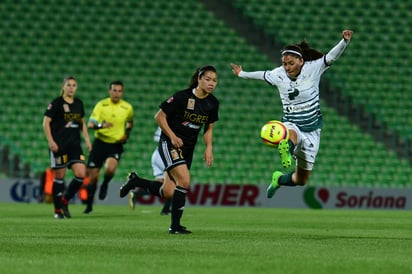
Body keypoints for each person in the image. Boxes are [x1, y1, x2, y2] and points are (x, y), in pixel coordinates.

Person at [231, 30, 353, 198]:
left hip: (312, 130)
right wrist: (241, 74)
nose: (287, 67)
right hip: (291, 123)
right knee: (291, 133)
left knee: (300, 180)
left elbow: (331, 57)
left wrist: (344, 42)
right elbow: (261, 75)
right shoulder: (278, 74)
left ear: (301, 61)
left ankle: (278, 179)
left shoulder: (313, 68)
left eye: (291, 63)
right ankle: (286, 148)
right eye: (284, 63)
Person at [119, 65, 220, 234]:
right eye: (208, 79)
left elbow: (209, 128)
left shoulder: (212, 103)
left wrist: (209, 147)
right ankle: (175, 226)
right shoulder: (182, 97)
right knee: (185, 181)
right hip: (170, 143)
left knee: (167, 192)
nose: (211, 83)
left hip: (188, 148)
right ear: (199, 79)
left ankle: (135, 182)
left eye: (215, 80)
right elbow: (159, 116)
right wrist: (172, 136)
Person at [43, 76, 92, 219]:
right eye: (68, 85)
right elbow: (45, 123)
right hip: (59, 145)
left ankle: (64, 200)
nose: (71, 88)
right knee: (60, 177)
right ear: (63, 87)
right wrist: (51, 142)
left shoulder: (78, 103)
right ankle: (57, 210)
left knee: (81, 175)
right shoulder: (56, 103)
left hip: (75, 145)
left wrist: (87, 140)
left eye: (74, 85)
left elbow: (82, 122)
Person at [84, 80, 134, 214]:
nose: (116, 93)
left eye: (119, 91)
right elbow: (90, 124)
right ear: (109, 91)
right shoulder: (101, 105)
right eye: (114, 90)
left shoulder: (127, 107)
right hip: (100, 142)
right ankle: (89, 205)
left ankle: (105, 183)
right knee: (93, 177)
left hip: (115, 144)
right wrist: (101, 126)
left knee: (111, 169)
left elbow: (130, 122)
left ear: (122, 92)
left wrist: (126, 135)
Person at [128, 126, 172, 215]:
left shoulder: (165, 122)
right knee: (173, 182)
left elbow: (156, 137)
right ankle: (166, 210)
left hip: (158, 154)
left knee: (161, 184)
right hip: (163, 156)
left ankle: (137, 194)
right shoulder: (170, 123)